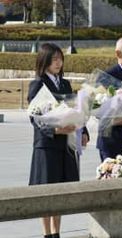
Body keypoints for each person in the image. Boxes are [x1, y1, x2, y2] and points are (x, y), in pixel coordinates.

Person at [27, 43, 89, 238]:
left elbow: (74, 108)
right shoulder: (38, 84)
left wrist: (83, 129)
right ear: (44, 61)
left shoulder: (65, 83)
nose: (58, 62)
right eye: (54, 59)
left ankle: (57, 232)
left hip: (65, 144)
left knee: (61, 189)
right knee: (47, 191)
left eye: (60, 59)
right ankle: (47, 233)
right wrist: (55, 129)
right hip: (47, 146)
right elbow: (34, 117)